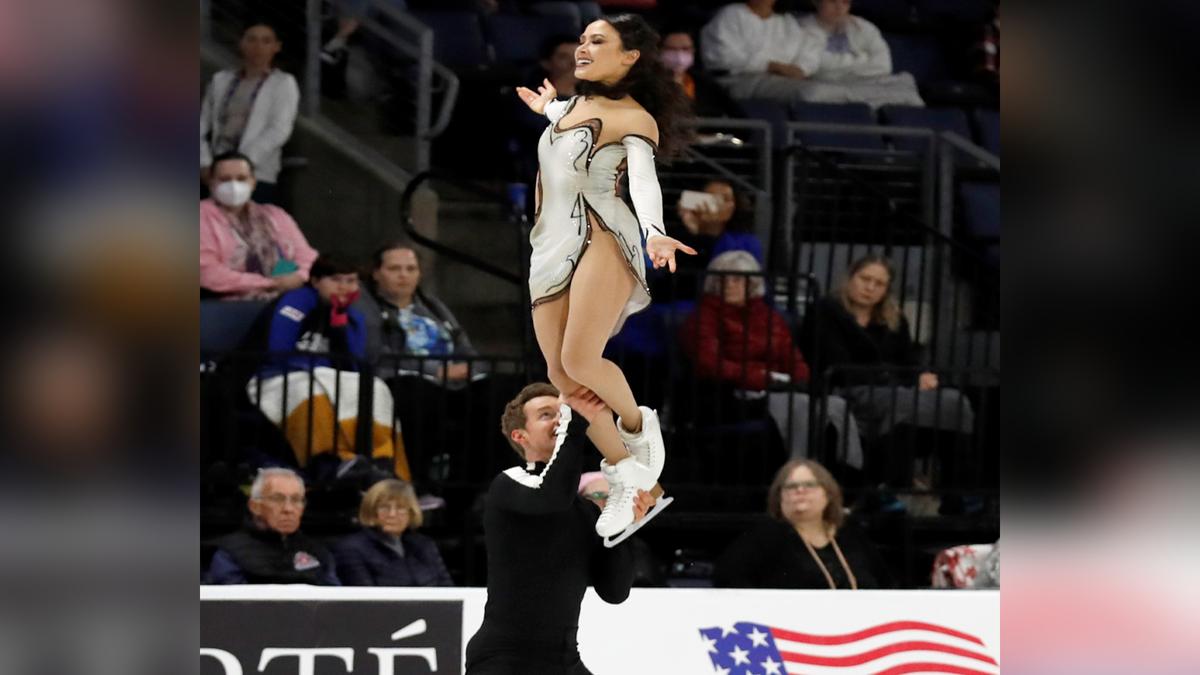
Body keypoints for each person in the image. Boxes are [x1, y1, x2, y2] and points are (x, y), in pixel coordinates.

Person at [514, 14, 696, 542]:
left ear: (629, 57)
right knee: (563, 378)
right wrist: (544, 108)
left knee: (579, 358)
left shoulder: (634, 118)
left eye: (598, 41)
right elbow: (563, 120)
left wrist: (656, 232)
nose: (582, 48)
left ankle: (641, 428)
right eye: (583, 40)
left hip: (602, 236)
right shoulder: (572, 107)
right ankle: (631, 480)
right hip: (549, 244)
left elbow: (642, 180)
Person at [465, 383, 655, 674]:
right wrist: (575, 421)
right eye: (546, 415)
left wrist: (623, 525)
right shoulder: (509, 483)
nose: (559, 419)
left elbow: (614, 592)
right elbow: (552, 497)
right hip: (506, 659)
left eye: (562, 412)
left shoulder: (587, 511)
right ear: (520, 436)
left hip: (564, 661)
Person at [680, 251, 863, 469]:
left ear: (753, 284)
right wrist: (763, 378)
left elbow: (792, 356)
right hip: (730, 394)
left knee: (835, 405)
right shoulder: (704, 318)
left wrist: (801, 380)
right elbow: (710, 364)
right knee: (800, 405)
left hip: (779, 388)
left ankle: (850, 472)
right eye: (722, 279)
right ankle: (799, 471)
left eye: (737, 279)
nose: (729, 285)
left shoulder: (769, 317)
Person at [806, 254, 975, 485]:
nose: (870, 288)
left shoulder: (894, 318)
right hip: (847, 389)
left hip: (894, 389)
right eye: (865, 279)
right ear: (850, 278)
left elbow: (908, 362)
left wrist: (920, 376)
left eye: (879, 284)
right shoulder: (827, 310)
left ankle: (959, 492)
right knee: (903, 404)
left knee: (956, 402)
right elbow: (838, 365)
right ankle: (893, 488)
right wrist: (898, 377)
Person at [247, 255, 412, 483]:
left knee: (375, 388)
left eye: (351, 281)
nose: (344, 287)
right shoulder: (296, 301)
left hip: (327, 377)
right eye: (336, 280)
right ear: (315, 281)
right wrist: (320, 369)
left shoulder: (352, 315)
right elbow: (277, 352)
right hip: (275, 375)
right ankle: (327, 462)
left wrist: (341, 326)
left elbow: (353, 363)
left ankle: (383, 461)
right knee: (309, 393)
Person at [700, 0, 921, 108]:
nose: (839, 6)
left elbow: (809, 53)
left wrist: (801, 68)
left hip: (785, 79)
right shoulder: (731, 15)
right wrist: (771, 65)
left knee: (904, 83)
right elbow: (722, 56)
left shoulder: (785, 22)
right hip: (743, 80)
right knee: (815, 91)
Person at [713, 459, 893, 588]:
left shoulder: (850, 534)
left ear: (828, 494)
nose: (800, 490)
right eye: (791, 487)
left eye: (810, 485)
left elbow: (885, 585)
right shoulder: (763, 537)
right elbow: (728, 582)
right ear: (779, 497)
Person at [200, 22, 299, 204]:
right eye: (251, 39)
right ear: (241, 43)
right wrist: (205, 163)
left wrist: (241, 165)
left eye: (266, 41)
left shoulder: (283, 83)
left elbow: (279, 130)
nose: (258, 47)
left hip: (256, 173)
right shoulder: (221, 80)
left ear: (276, 47)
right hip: (215, 170)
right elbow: (200, 126)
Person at [200, 151, 318, 300]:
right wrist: (268, 283)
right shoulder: (200, 216)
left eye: (241, 178)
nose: (234, 185)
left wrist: (300, 276)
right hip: (227, 305)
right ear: (211, 182)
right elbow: (207, 273)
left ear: (253, 182)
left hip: (286, 298)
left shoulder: (275, 214)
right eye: (225, 179)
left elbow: (307, 255)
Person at [205, 468, 340, 585]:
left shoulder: (318, 552)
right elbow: (230, 607)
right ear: (254, 506)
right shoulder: (230, 553)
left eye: (296, 499)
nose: (288, 509)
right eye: (278, 499)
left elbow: (335, 604)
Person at [793, 0, 923, 107]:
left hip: (867, 84)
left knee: (906, 81)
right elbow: (819, 67)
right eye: (832, 1)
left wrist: (844, 67)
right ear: (816, 2)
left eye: (845, 2)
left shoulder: (864, 27)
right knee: (815, 92)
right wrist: (862, 59)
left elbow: (884, 66)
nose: (839, 7)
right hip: (830, 85)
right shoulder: (801, 27)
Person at [333, 478, 454, 586]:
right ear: (371, 510)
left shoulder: (425, 545)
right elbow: (366, 600)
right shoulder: (351, 548)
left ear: (411, 512)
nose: (392, 514)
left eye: (401, 508)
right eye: (384, 507)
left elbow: (448, 591)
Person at [659, 28, 741, 118]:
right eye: (671, 49)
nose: (679, 55)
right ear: (660, 51)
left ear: (693, 50)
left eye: (685, 49)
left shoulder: (707, 85)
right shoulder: (650, 84)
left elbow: (738, 119)